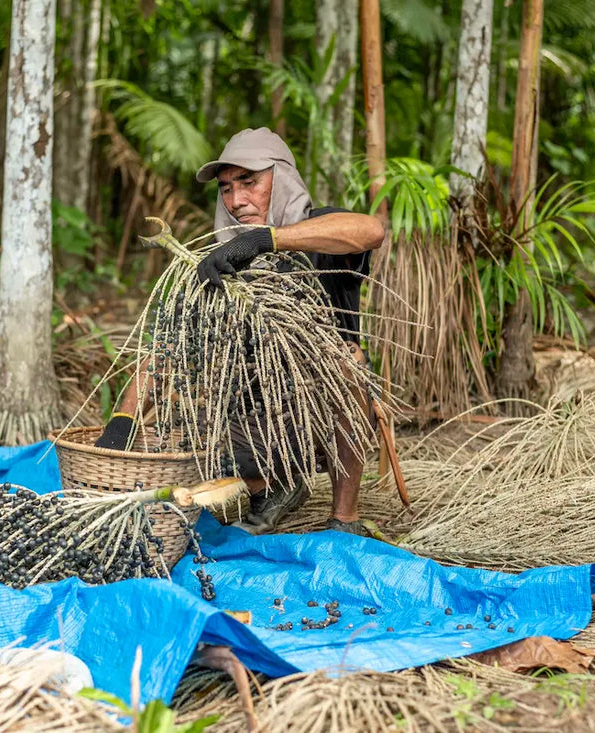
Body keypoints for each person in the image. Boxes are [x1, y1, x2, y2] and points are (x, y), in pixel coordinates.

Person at [96, 127, 384, 536]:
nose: (236, 200)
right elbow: (167, 352)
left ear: (280, 179)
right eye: (227, 189)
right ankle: (276, 482)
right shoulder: (224, 266)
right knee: (180, 435)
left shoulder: (321, 230)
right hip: (257, 414)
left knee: (347, 363)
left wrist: (267, 240)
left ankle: (344, 517)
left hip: (323, 408)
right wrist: (121, 423)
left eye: (250, 183)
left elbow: (371, 230)